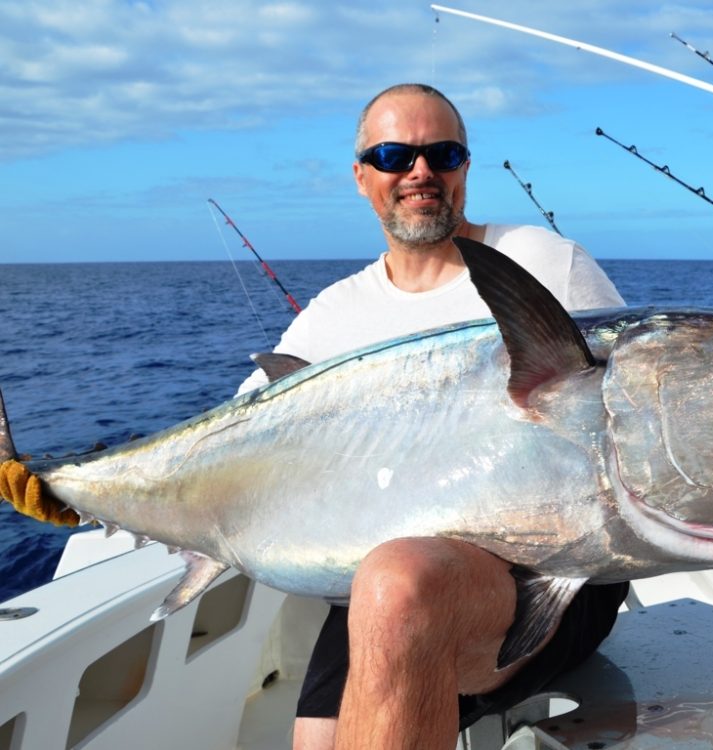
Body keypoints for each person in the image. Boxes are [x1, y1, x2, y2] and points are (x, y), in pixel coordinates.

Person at [0, 83, 629, 750]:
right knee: (319, 737)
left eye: (442, 153)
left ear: (465, 167)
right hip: (377, 586)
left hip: (549, 574)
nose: (420, 172)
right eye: (394, 155)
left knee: (400, 590)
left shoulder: (544, 265)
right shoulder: (336, 314)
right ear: (362, 176)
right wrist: (89, 496)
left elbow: (634, 413)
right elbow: (225, 450)